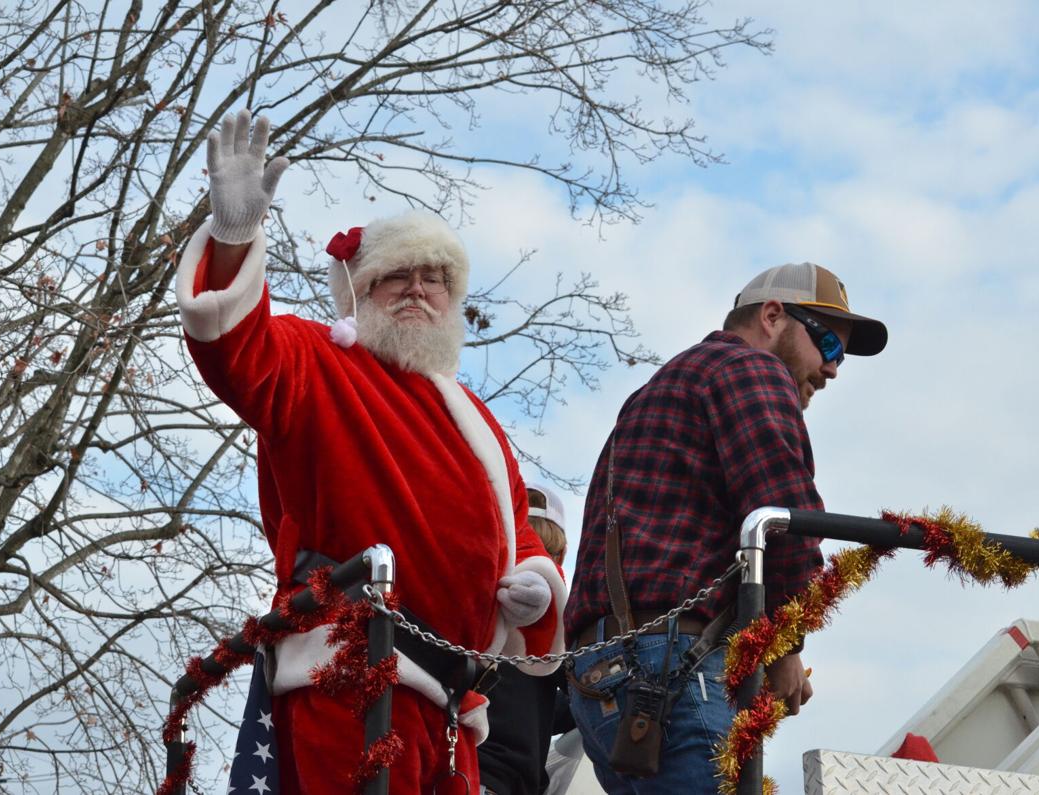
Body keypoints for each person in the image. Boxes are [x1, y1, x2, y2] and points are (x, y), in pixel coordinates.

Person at [175, 110, 566, 795]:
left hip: (452, 710)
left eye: (436, 277)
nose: (419, 288)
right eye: (397, 274)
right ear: (359, 290)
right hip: (348, 680)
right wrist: (235, 240)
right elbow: (237, 352)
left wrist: (536, 585)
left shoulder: (476, 420)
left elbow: (518, 535)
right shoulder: (317, 362)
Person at [562, 262, 887, 792]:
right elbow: (785, 518)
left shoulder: (656, 390)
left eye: (842, 357)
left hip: (599, 680)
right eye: (828, 345)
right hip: (670, 668)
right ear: (773, 316)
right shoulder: (749, 370)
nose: (833, 369)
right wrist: (784, 647)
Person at [478, 483, 574, 795]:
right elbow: (583, 697)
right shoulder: (559, 622)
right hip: (507, 773)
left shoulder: (474, 597)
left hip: (451, 760)